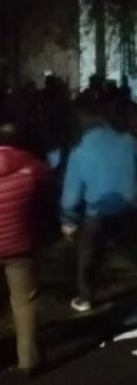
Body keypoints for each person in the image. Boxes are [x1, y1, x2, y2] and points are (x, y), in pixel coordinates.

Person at [60, 110, 137, 314]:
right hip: (129, 208)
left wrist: (68, 219)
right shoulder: (129, 141)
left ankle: (85, 297)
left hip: (97, 214)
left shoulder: (79, 152)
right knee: (136, 251)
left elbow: (71, 196)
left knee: (88, 255)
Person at [0, 123, 50, 376]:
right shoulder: (33, 168)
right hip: (20, 245)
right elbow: (49, 191)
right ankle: (28, 361)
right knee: (24, 302)